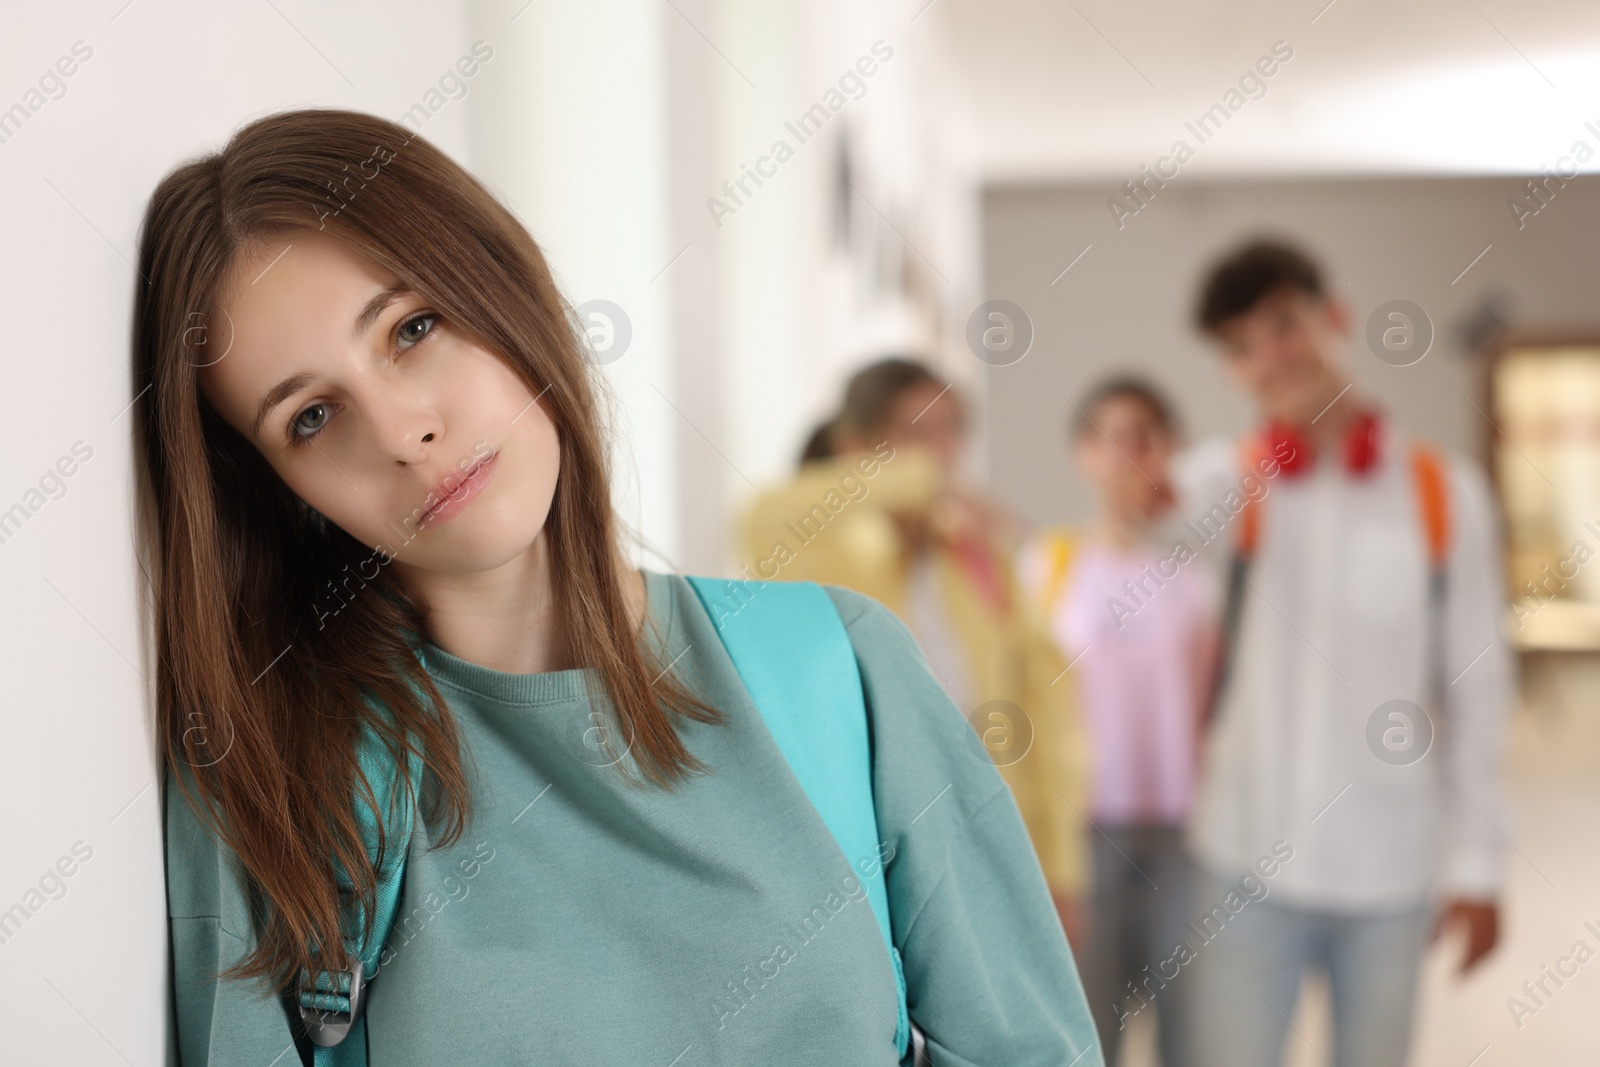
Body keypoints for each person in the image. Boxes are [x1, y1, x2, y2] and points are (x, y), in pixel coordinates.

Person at [134, 109, 1102, 1066]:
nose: (399, 430)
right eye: (309, 417)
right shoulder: (272, 772)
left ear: (502, 286)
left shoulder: (840, 668)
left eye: (412, 327)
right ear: (279, 492)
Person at [1171, 239, 1514, 1067]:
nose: (1270, 358)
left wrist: (1479, 866)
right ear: (1231, 373)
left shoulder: (1444, 492)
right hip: (1243, 860)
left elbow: (1479, 689)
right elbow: (1153, 509)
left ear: (1335, 317)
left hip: (1390, 872)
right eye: (1242, 348)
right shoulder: (1228, 484)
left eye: (1284, 326)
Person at [737, 358, 1093, 947]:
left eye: (951, 430)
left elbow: (1048, 711)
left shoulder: (980, 556)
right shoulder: (817, 548)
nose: (941, 450)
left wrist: (1059, 868)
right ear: (856, 446)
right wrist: (931, 480)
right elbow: (756, 516)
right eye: (916, 430)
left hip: (981, 844)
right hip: (853, 853)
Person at [1018, 376, 1215, 1067]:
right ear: (1084, 454)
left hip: (1186, 836)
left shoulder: (1199, 572)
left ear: (1172, 452)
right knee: (1087, 1033)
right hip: (1083, 837)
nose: (1129, 452)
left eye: (1147, 436)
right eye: (1111, 435)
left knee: (1193, 1036)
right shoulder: (1045, 567)